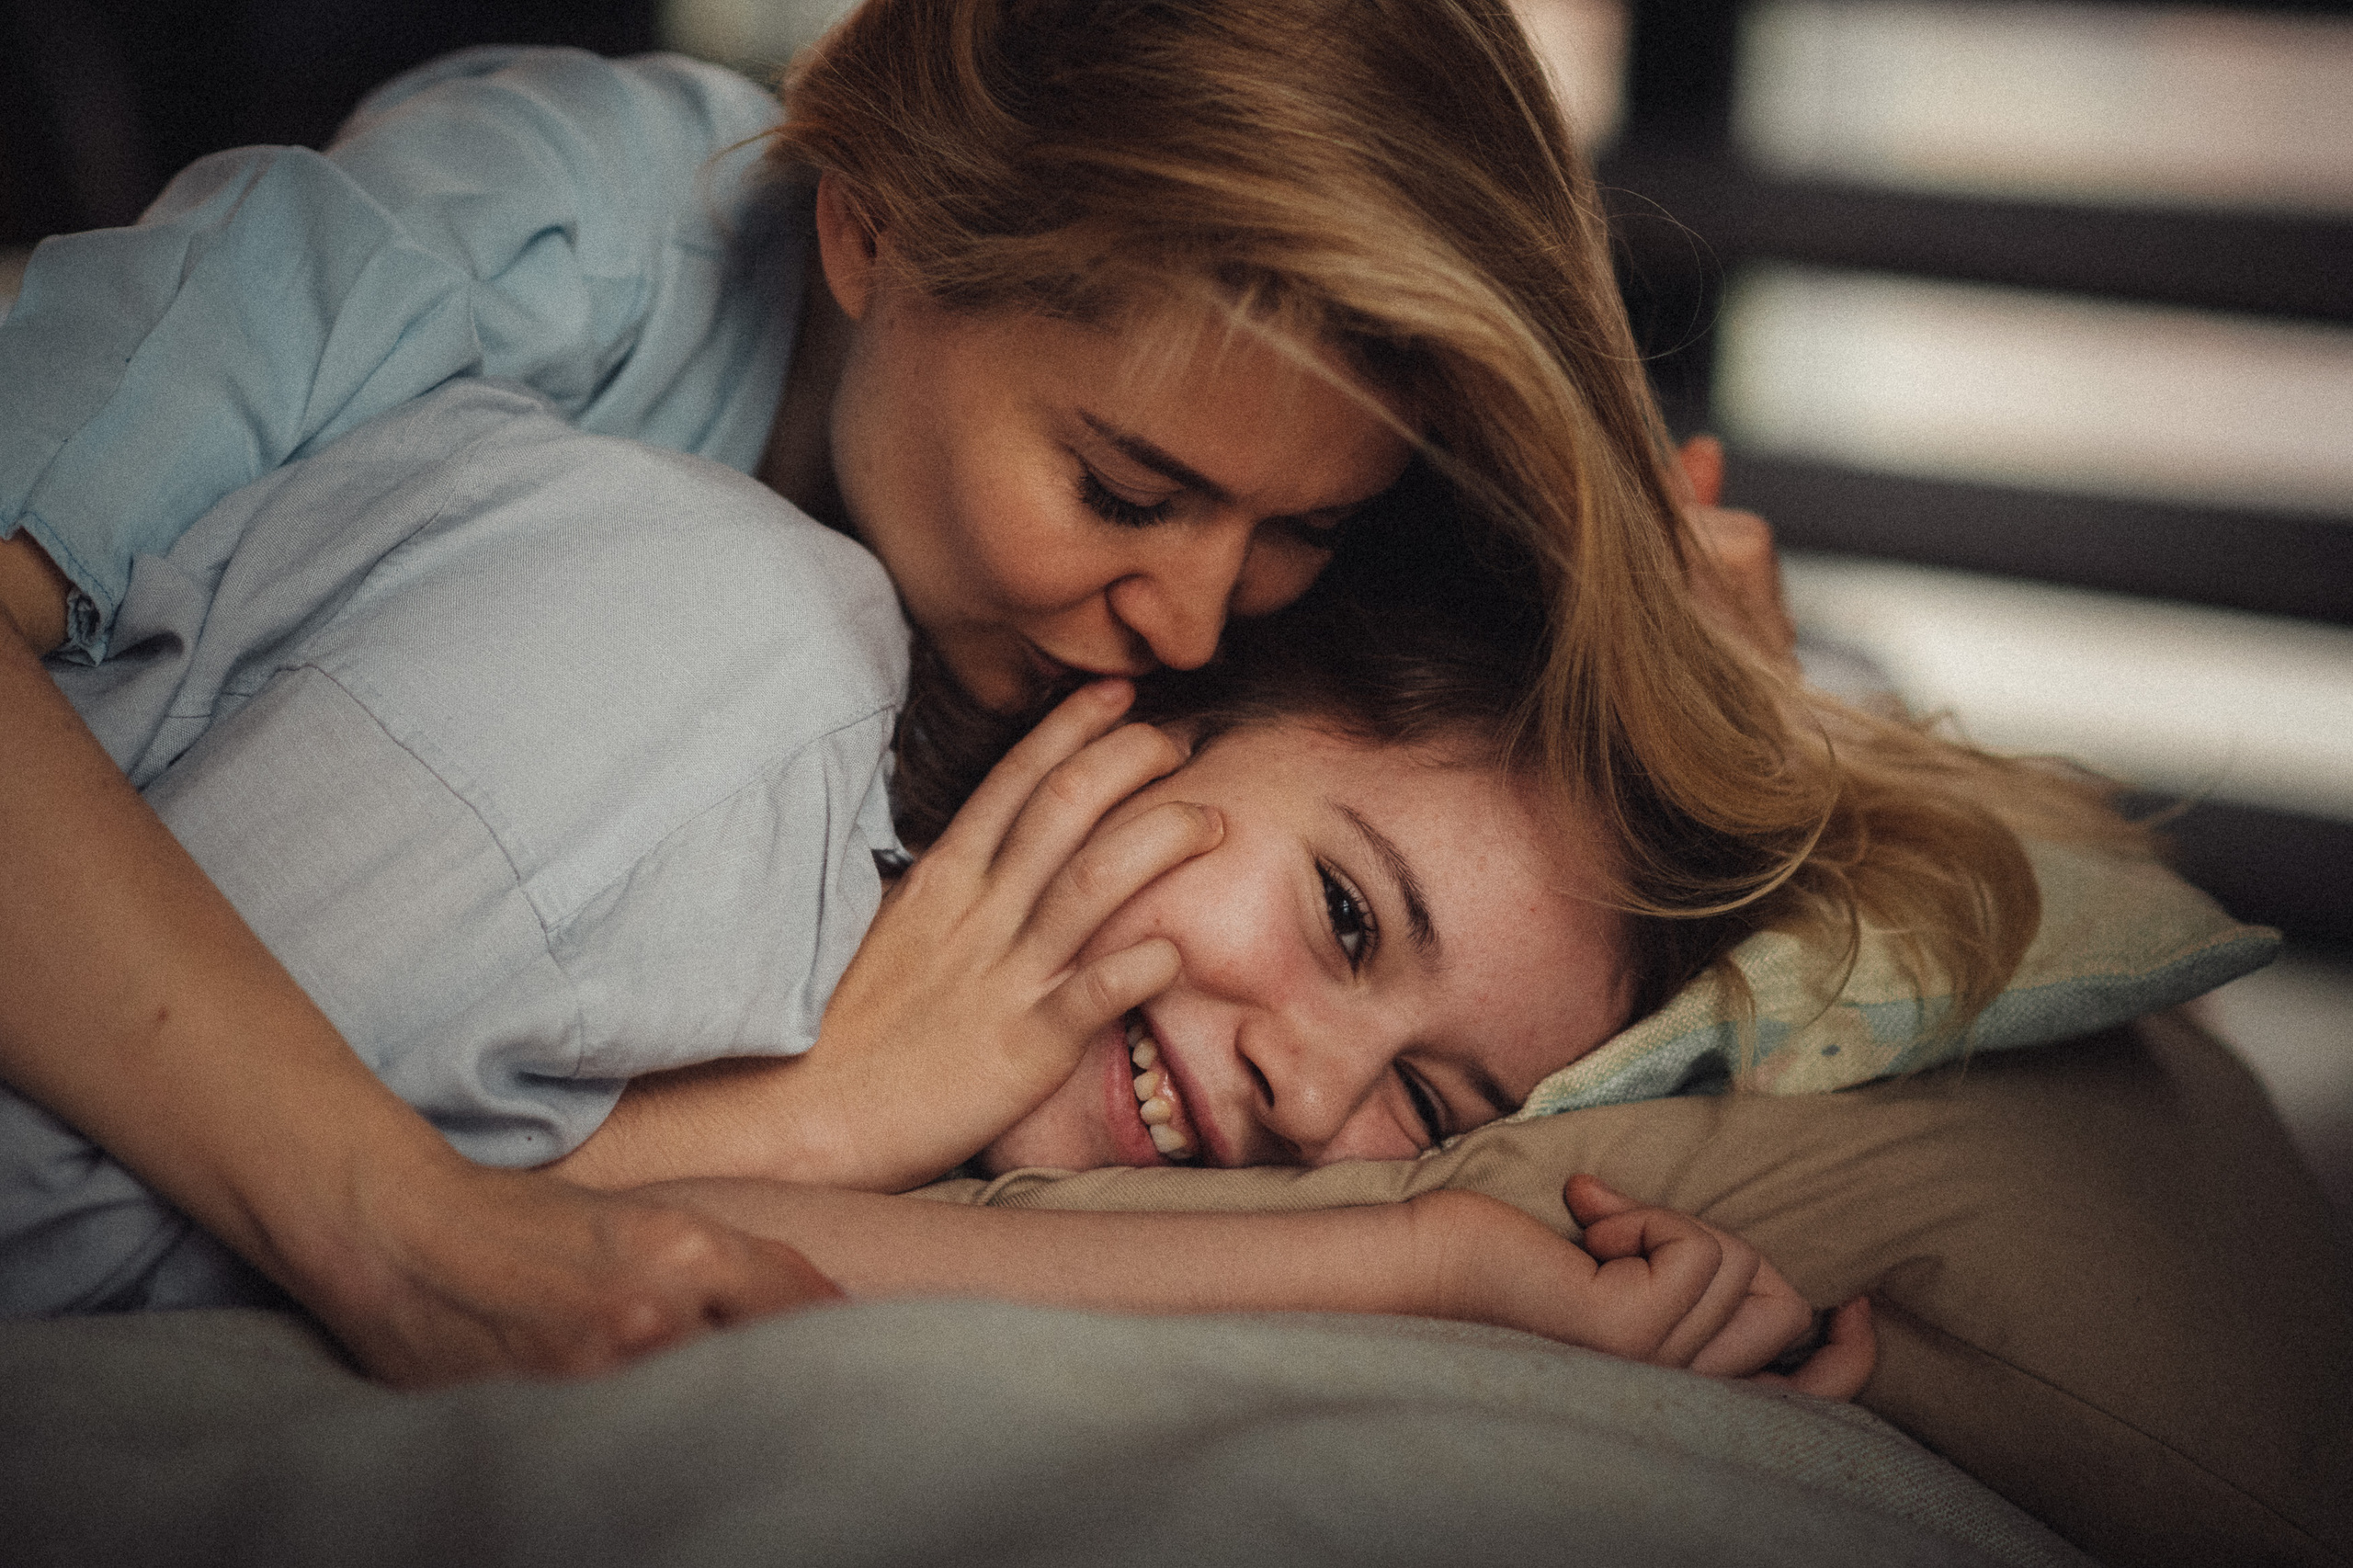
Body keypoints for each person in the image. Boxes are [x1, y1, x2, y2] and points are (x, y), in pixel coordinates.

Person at [0, 0, 2043, 1385]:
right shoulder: (572, 255)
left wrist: (1724, 677)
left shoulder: (1145, 715)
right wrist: (411, 1211)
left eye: (1295, 539)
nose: (1183, 615)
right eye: (1122, 490)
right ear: (874, 227)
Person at [1, 373, 1868, 1400]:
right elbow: (114, 1223)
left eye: (1427, 1103)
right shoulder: (720, 667)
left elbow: (611, 1236)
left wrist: (1447, 1264)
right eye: (1348, 918)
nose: (1317, 1099)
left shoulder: (901, 1042)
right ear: (1163, 687)